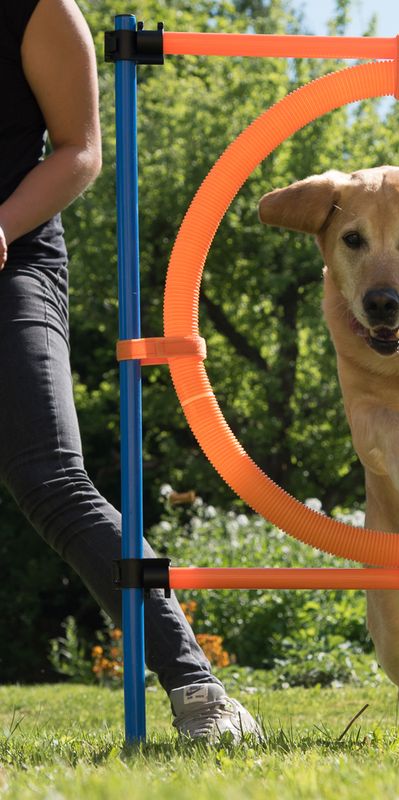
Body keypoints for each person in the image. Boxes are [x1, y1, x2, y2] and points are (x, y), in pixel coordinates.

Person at [0, 0, 259, 741]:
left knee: (50, 479)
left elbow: (80, 148)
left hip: (12, 258)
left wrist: (1, 226)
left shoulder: (39, 8)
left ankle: (199, 691)